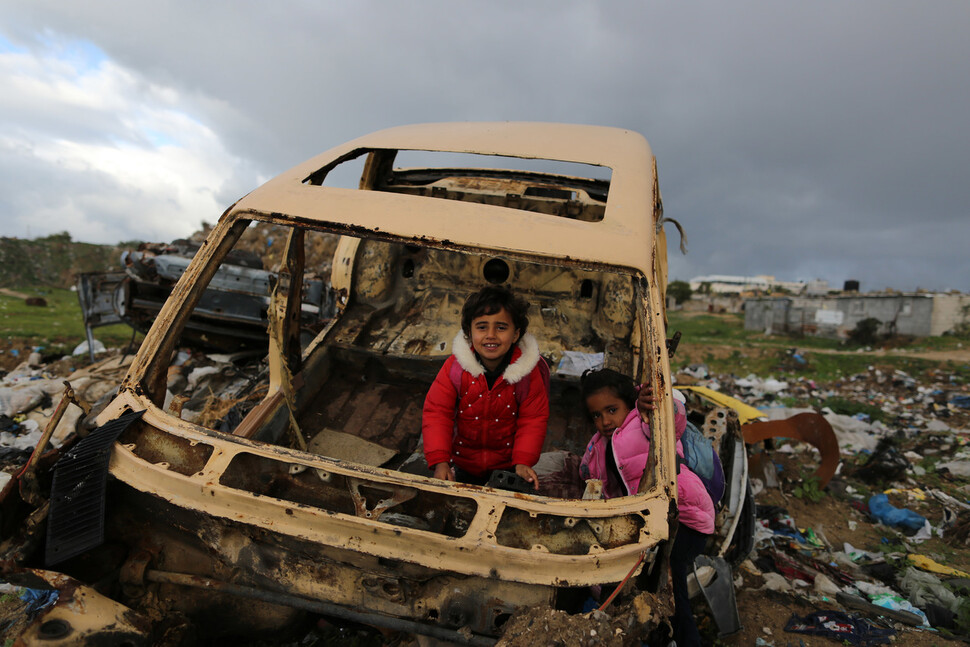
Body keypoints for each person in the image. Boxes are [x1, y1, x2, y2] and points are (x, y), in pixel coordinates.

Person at [578, 369, 714, 647]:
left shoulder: (643, 421)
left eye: (612, 410)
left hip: (686, 516)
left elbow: (674, 417)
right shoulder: (600, 444)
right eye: (596, 415)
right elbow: (593, 478)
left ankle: (687, 640)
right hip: (651, 521)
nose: (604, 421)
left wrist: (650, 401)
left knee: (670, 588)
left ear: (629, 403)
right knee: (642, 581)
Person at [422, 286, 549, 489]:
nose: (491, 335)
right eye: (482, 327)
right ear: (469, 333)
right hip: (462, 462)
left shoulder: (527, 374)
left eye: (501, 327)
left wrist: (523, 461)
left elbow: (533, 419)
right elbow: (437, 412)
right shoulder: (455, 368)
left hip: (508, 466)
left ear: (516, 334)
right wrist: (440, 461)